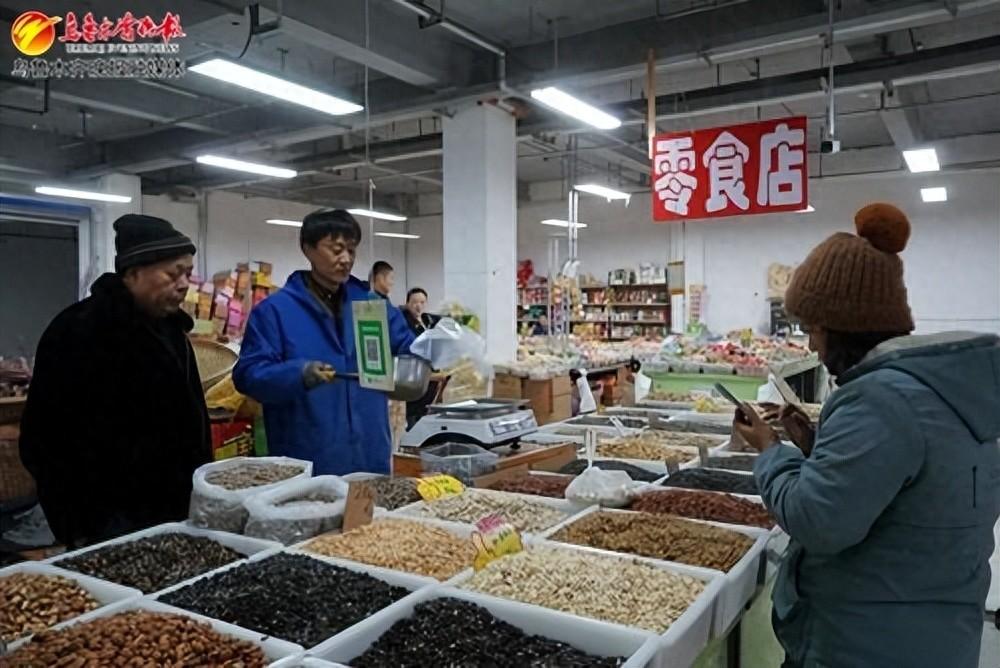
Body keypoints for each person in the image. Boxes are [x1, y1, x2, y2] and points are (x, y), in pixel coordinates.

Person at [733, 203, 1000, 668]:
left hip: (865, 642)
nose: (811, 345)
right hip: (929, 630)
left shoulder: (880, 400)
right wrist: (816, 447)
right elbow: (900, 487)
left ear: (843, 328)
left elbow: (817, 521)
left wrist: (769, 450)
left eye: (813, 330)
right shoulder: (942, 388)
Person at [19, 214, 211, 547]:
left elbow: (191, 418)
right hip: (105, 520)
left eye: (188, 274)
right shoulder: (80, 330)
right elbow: (44, 438)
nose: (184, 284)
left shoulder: (170, 330)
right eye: (173, 274)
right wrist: (80, 524)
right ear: (133, 273)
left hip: (175, 509)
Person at [234, 209, 415, 475]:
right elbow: (249, 375)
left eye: (351, 250)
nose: (346, 259)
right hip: (307, 460)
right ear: (308, 249)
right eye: (336, 249)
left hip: (370, 454)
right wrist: (298, 374)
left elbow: (409, 347)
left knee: (371, 503)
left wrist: (432, 349)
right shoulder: (275, 312)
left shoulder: (371, 306)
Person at [400, 287, 442, 427]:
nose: (419, 306)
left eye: (422, 302)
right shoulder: (404, 324)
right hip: (415, 377)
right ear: (407, 303)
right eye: (415, 302)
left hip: (431, 377)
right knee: (414, 415)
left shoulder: (428, 321)